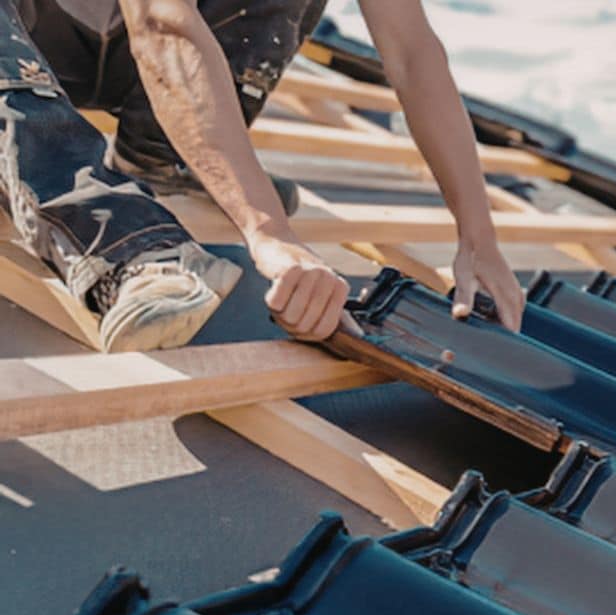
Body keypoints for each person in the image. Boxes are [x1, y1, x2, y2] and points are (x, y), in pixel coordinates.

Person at [0, 0, 524, 352]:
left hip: (116, 51)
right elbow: (162, 26)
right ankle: (122, 247)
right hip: (27, 46)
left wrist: (478, 236)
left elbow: (412, 52)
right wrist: (268, 232)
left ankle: (169, 152)